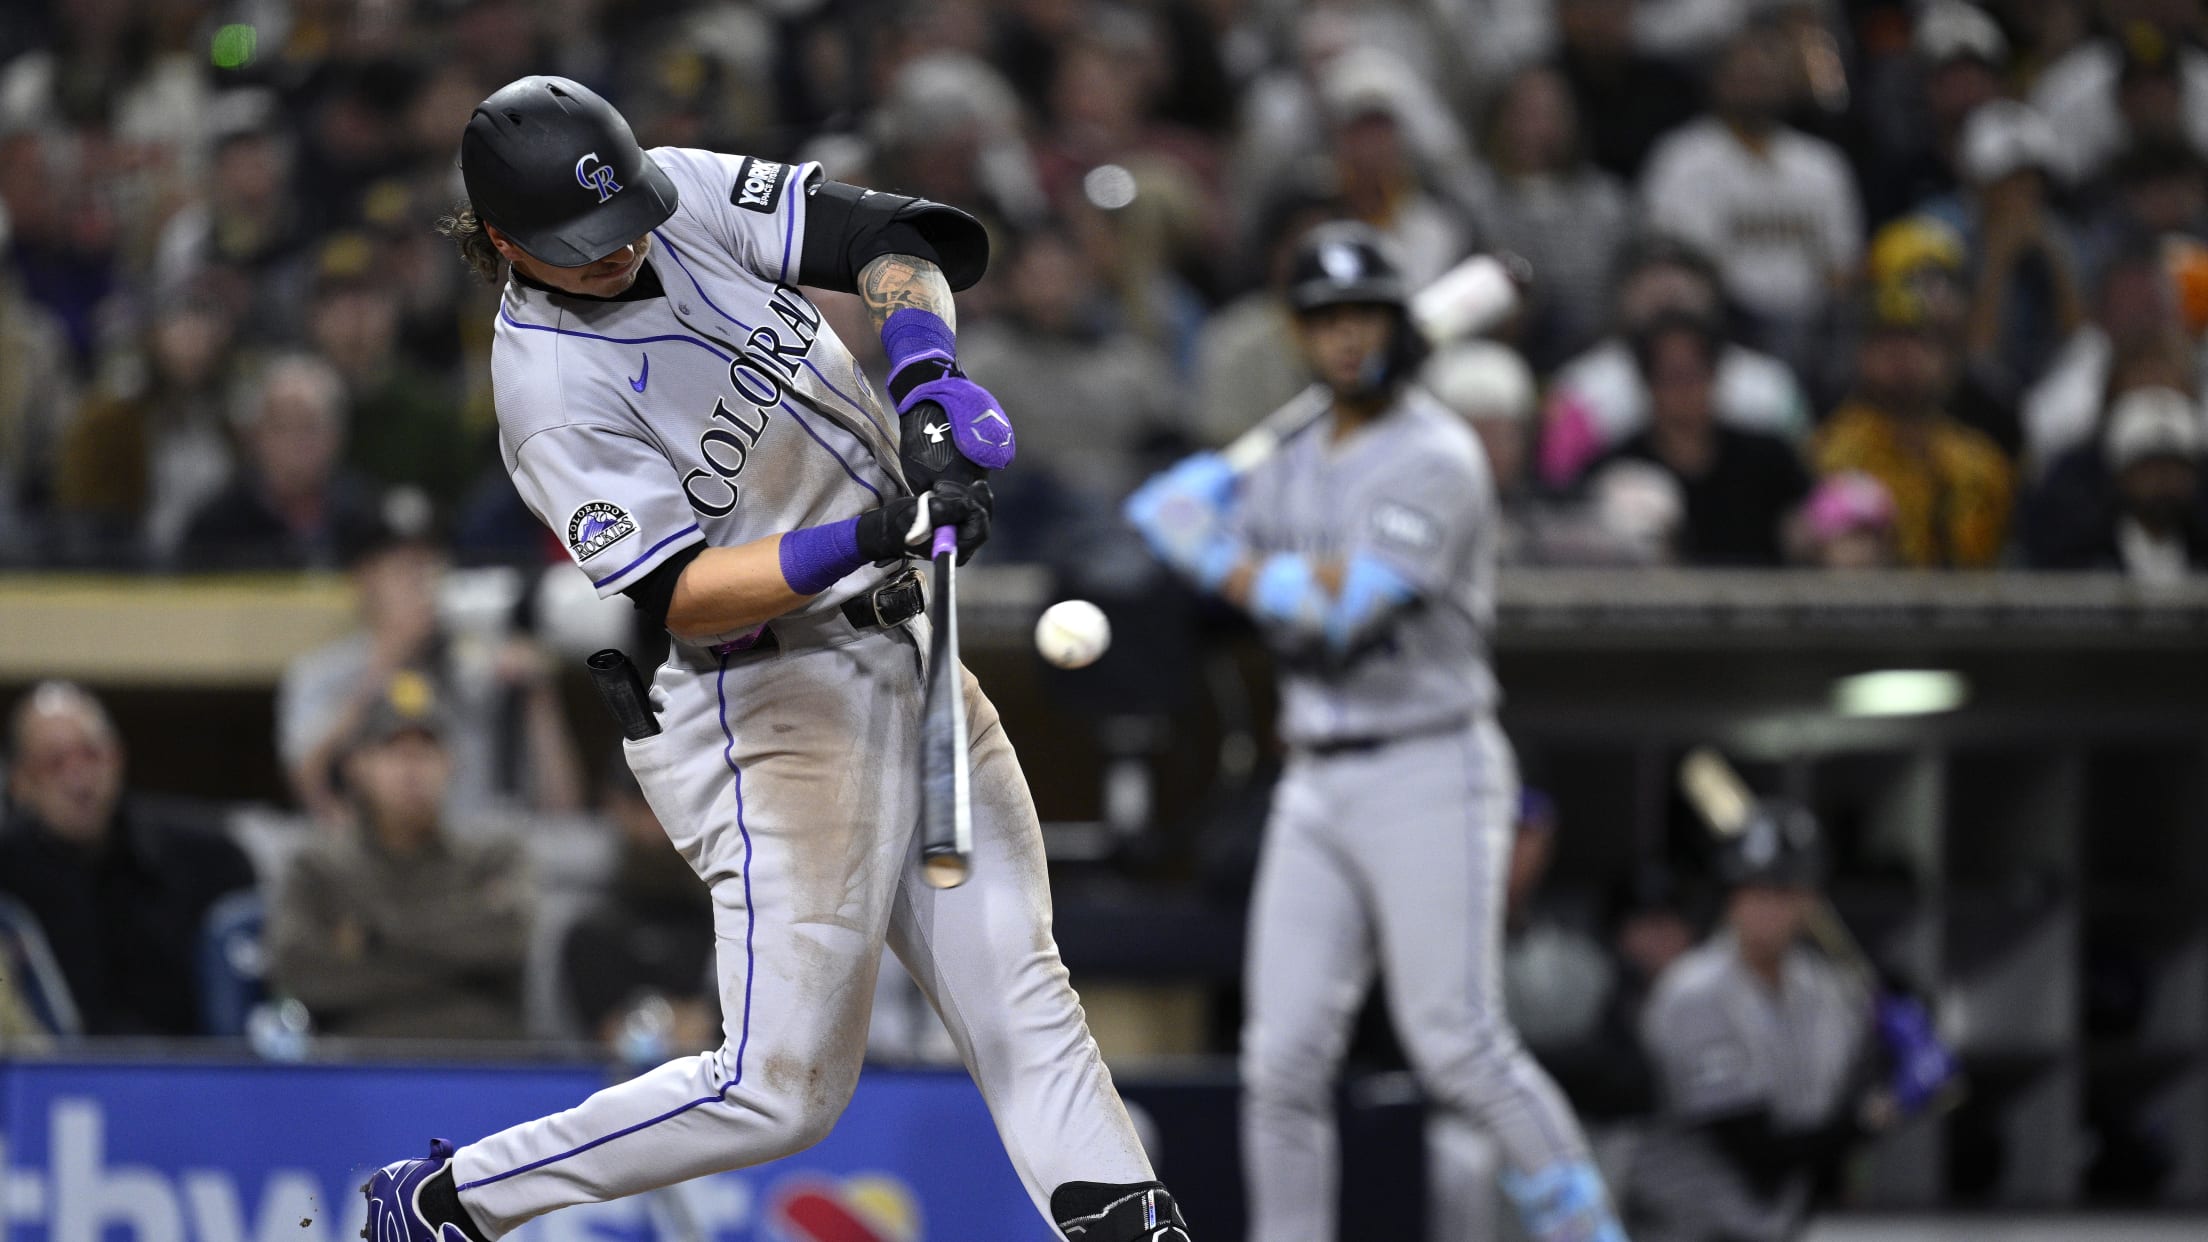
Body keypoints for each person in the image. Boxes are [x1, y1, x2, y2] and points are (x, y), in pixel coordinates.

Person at [362, 76, 1192, 1242]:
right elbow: (681, 597)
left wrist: (925, 382)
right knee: (779, 1090)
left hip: (905, 640)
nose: (617, 251)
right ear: (504, 242)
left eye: (623, 221)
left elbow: (893, 240)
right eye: (580, 243)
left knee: (1021, 994)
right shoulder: (546, 386)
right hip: (761, 701)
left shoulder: (679, 191)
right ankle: (452, 1201)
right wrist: (873, 529)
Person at [1126, 222, 1626, 1242]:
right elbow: (1253, 573)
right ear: (1300, 335)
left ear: (1399, 325)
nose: (1346, 339)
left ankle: (1588, 1232)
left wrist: (1205, 550)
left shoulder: (1439, 457)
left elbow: (1341, 608)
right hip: (1314, 778)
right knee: (1281, 1061)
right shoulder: (1295, 452)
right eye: (1325, 321)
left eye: (1364, 316)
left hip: (1428, 765)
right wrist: (1201, 502)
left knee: (1458, 1046)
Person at [1633, 801, 1887, 1242]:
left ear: (1810, 899)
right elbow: (1756, 1152)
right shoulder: (1693, 992)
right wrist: (1875, 1117)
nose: (1767, 909)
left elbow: (1831, 1117)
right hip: (1682, 1230)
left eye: (1783, 891)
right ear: (1732, 896)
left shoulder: (1829, 993)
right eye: (1754, 890)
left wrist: (1892, 1066)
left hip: (1777, 1227)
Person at [277, 504, 585, 823]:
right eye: (405, 568)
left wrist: (538, 695)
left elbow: (562, 810)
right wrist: (384, 665)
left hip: (475, 855)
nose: (423, 583)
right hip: (374, 860)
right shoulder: (320, 672)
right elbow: (308, 785)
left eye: (432, 565)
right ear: (365, 580)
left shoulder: (481, 666)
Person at [266, 672, 532, 1041]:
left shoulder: (493, 857)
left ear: (451, 763)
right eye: (394, 751)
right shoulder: (317, 868)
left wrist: (371, 940)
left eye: (426, 751)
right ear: (357, 765)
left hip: (480, 1062)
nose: (412, 769)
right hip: (360, 1068)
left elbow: (507, 942)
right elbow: (301, 975)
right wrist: (459, 964)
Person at [0, 681, 256, 1035]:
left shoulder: (205, 856)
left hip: (185, 1071)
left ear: (117, 757)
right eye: (54, 762)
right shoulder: (8, 871)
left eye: (91, 754)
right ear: (20, 782)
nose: (79, 777)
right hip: (49, 1077)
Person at [1639, 22, 1862, 369]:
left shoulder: (1821, 164)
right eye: (1742, 74)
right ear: (1717, 81)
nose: (1754, 85)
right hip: (1721, 327)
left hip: (1811, 330)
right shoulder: (1682, 158)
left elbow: (1843, 268)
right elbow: (1679, 265)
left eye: (1764, 75)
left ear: (1785, 82)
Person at [1540, 235, 1809, 488]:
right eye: (1651, 279)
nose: (1667, 289)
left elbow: (1805, 473)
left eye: (1682, 278)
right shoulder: (1581, 387)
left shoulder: (1769, 383)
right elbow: (1559, 479)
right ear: (1623, 295)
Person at [1593, 313, 1812, 566]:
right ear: (1647, 383)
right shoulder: (1618, 467)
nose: (1685, 392)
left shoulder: (1770, 459)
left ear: (1714, 375)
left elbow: (1810, 520)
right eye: (1672, 377)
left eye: (1695, 374)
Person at [1816, 293, 2014, 568]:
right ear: (1863, 356)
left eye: (1919, 340)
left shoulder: (1983, 463)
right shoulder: (1830, 454)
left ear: (1947, 360)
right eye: (1888, 340)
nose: (1903, 354)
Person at [175, 353, 385, 572]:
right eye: (281, 425)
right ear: (256, 435)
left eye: (309, 425)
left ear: (336, 435)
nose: (295, 441)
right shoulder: (215, 526)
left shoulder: (367, 516)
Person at [2024, 385, 2208, 579]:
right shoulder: (2078, 550)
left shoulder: (2201, 548)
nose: (2164, 481)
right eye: (2149, 468)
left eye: (2176, 468)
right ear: (2121, 475)